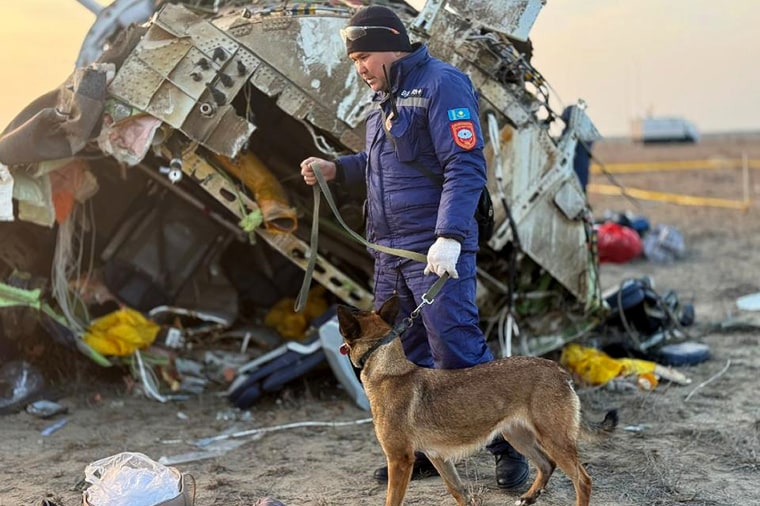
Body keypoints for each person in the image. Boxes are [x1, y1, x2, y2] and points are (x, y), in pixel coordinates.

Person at [300, 5, 529, 490]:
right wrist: (337, 169)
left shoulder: (442, 84)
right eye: (354, 60)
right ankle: (419, 450)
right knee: (406, 354)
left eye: (363, 56)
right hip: (390, 253)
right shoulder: (382, 99)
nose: (359, 67)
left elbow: (464, 165)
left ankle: (507, 448)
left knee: (456, 348)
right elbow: (381, 164)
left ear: (391, 44)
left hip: (433, 249)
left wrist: (449, 236)